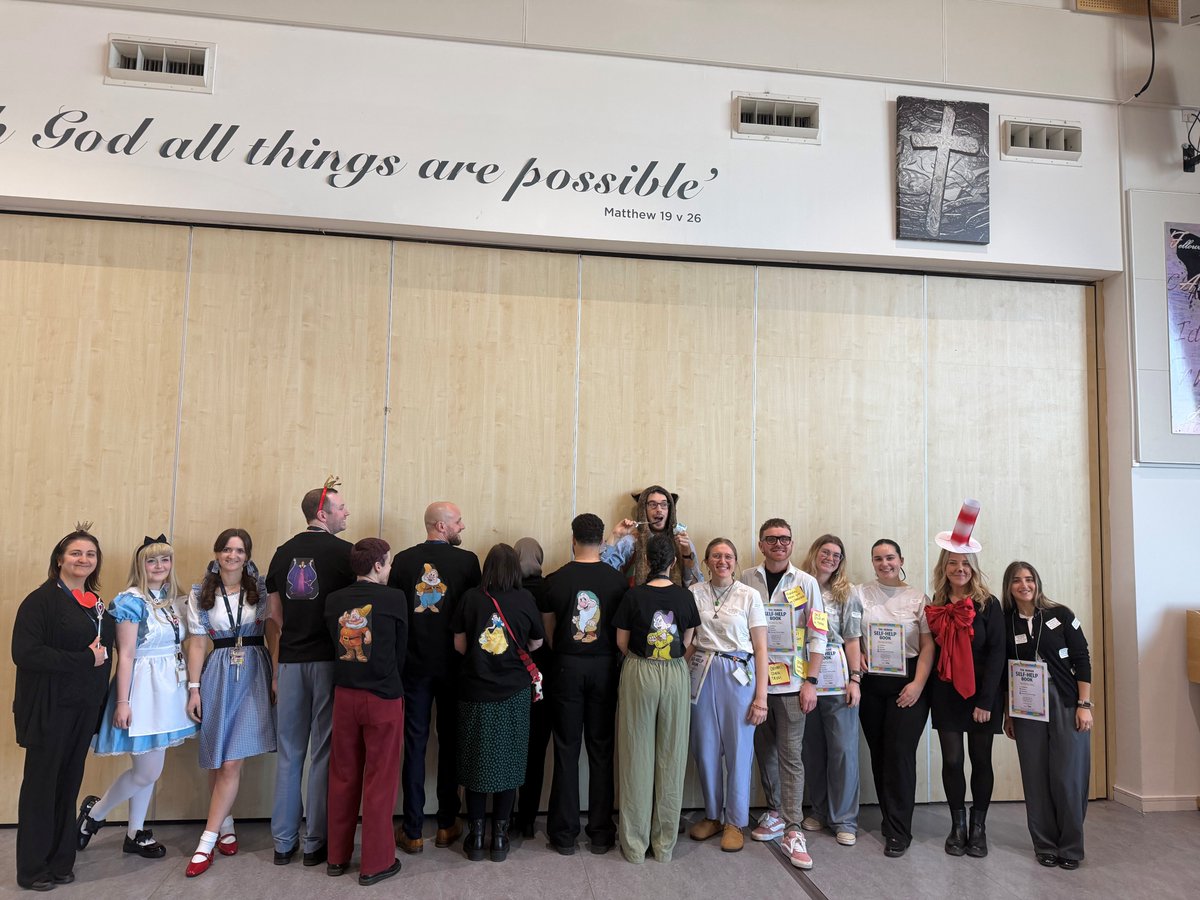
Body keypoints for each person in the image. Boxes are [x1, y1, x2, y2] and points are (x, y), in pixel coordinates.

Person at [77, 535, 198, 860]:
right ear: (140, 565)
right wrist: (123, 702)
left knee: (149, 766)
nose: (159, 566)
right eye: (151, 560)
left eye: (165, 559)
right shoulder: (130, 601)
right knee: (147, 771)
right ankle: (95, 814)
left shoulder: (175, 600)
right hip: (143, 690)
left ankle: (135, 832)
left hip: (169, 688)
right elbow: (126, 655)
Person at [12, 525, 115, 891]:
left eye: (90, 554)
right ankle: (32, 869)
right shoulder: (40, 601)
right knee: (41, 788)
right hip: (48, 709)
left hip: (82, 709)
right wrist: (83, 659)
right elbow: (24, 654)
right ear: (59, 559)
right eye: (75, 553)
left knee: (68, 785)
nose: (83, 559)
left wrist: (100, 705)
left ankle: (60, 862)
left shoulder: (96, 604)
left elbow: (106, 658)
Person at [265, 478, 355, 866]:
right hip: (328, 662)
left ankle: (283, 843)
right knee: (322, 752)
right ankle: (316, 841)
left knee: (289, 754)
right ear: (323, 513)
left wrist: (282, 656)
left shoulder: (282, 553)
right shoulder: (346, 554)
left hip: (290, 661)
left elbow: (274, 616)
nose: (347, 512)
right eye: (341, 507)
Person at [388, 501, 481, 854]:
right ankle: (446, 824)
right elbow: (473, 614)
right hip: (454, 668)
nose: (463, 526)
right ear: (441, 526)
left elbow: (396, 614)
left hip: (412, 667)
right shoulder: (468, 562)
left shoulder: (404, 561)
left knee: (414, 745)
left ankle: (412, 829)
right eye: (457, 521)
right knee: (451, 743)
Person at [183, 528, 276, 877]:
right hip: (218, 671)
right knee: (217, 756)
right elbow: (195, 643)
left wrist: (277, 675)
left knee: (232, 761)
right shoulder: (200, 592)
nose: (232, 555)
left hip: (253, 670)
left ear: (248, 555)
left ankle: (204, 843)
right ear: (217, 552)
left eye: (239, 550)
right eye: (226, 549)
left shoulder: (261, 589)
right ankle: (225, 824)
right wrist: (194, 688)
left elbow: (274, 634)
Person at [741, 518, 827, 870]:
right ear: (761, 544)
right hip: (755, 684)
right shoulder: (746, 579)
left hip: (793, 684)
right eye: (772, 539)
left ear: (792, 544)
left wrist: (812, 681)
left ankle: (793, 829)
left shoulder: (805, 583)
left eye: (785, 539)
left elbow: (818, 630)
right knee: (765, 752)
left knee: (791, 756)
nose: (779, 544)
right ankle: (775, 812)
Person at [451, 543, 545, 863]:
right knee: (511, 762)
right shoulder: (525, 599)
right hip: (514, 692)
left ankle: (476, 836)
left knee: (475, 760)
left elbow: (460, 644)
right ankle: (501, 838)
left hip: (475, 690)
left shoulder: (470, 598)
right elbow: (536, 642)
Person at [541, 513, 629, 855]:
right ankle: (601, 832)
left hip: (566, 666)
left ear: (573, 539)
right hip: (606, 667)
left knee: (565, 748)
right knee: (601, 749)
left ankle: (563, 835)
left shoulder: (554, 581)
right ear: (602, 538)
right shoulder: (617, 582)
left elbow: (549, 631)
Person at [323, 538, 407, 886]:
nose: (388, 570)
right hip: (384, 696)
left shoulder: (333, 600)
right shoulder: (395, 598)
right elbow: (401, 649)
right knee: (380, 779)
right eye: (387, 564)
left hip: (345, 694)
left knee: (342, 776)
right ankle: (376, 862)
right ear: (377, 566)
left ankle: (337, 857)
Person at [613, 533, 700, 864]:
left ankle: (634, 845)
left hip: (639, 670)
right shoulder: (685, 597)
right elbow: (690, 641)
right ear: (673, 562)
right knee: (671, 756)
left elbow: (622, 642)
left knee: (636, 754)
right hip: (675, 671)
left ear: (646, 561)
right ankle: (664, 845)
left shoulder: (632, 596)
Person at [1001, 561, 1092, 870]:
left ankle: (1071, 846)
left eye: (1029, 579)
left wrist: (1085, 704)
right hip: (1025, 704)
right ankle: (1045, 845)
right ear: (1009, 586)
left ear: (1037, 583)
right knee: (1035, 774)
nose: (1024, 585)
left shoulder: (1060, 615)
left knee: (1068, 775)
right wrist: (1008, 713)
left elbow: (1082, 659)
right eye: (1017, 580)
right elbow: (1003, 673)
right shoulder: (1005, 622)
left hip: (1065, 700)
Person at [686, 538, 768, 853]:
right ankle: (712, 815)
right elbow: (691, 640)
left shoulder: (750, 596)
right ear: (706, 561)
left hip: (740, 672)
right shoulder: (695, 592)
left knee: (739, 749)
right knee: (705, 748)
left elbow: (761, 647)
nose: (723, 561)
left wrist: (761, 697)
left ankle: (735, 821)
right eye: (716, 556)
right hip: (702, 671)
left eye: (728, 556)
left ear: (735, 561)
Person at [926, 534, 1004, 859]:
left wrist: (986, 702)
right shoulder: (937, 603)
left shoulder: (989, 604)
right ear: (944, 568)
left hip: (982, 697)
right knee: (952, 761)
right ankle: (958, 825)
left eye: (965, 563)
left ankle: (979, 828)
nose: (959, 569)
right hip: (946, 694)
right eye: (953, 563)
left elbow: (999, 653)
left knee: (981, 760)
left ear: (973, 567)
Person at [857, 538, 933, 858]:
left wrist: (917, 684)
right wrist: (856, 656)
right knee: (880, 753)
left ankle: (900, 831)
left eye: (890, 557)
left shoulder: (918, 597)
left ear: (901, 559)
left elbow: (929, 645)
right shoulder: (860, 593)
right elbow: (851, 632)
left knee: (900, 754)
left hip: (909, 681)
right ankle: (890, 820)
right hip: (872, 681)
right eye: (878, 559)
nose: (884, 563)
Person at [797, 534, 862, 848]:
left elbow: (852, 639)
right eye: (825, 552)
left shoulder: (846, 594)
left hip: (837, 679)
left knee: (843, 750)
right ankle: (820, 810)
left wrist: (856, 679)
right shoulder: (795, 585)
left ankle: (845, 818)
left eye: (837, 555)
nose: (831, 559)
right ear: (814, 552)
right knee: (812, 749)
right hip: (803, 676)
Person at [513, 537, 552, 840]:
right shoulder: (550, 588)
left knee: (509, 746)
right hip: (545, 681)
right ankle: (527, 818)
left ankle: (503, 813)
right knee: (536, 750)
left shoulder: (508, 591)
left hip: (512, 680)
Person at [601, 486, 701, 587]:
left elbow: (696, 585)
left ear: (670, 511)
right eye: (653, 505)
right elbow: (603, 572)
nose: (659, 509)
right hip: (639, 600)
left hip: (675, 600)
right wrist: (615, 536)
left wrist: (687, 555)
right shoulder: (631, 542)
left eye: (664, 505)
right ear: (643, 510)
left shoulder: (682, 542)